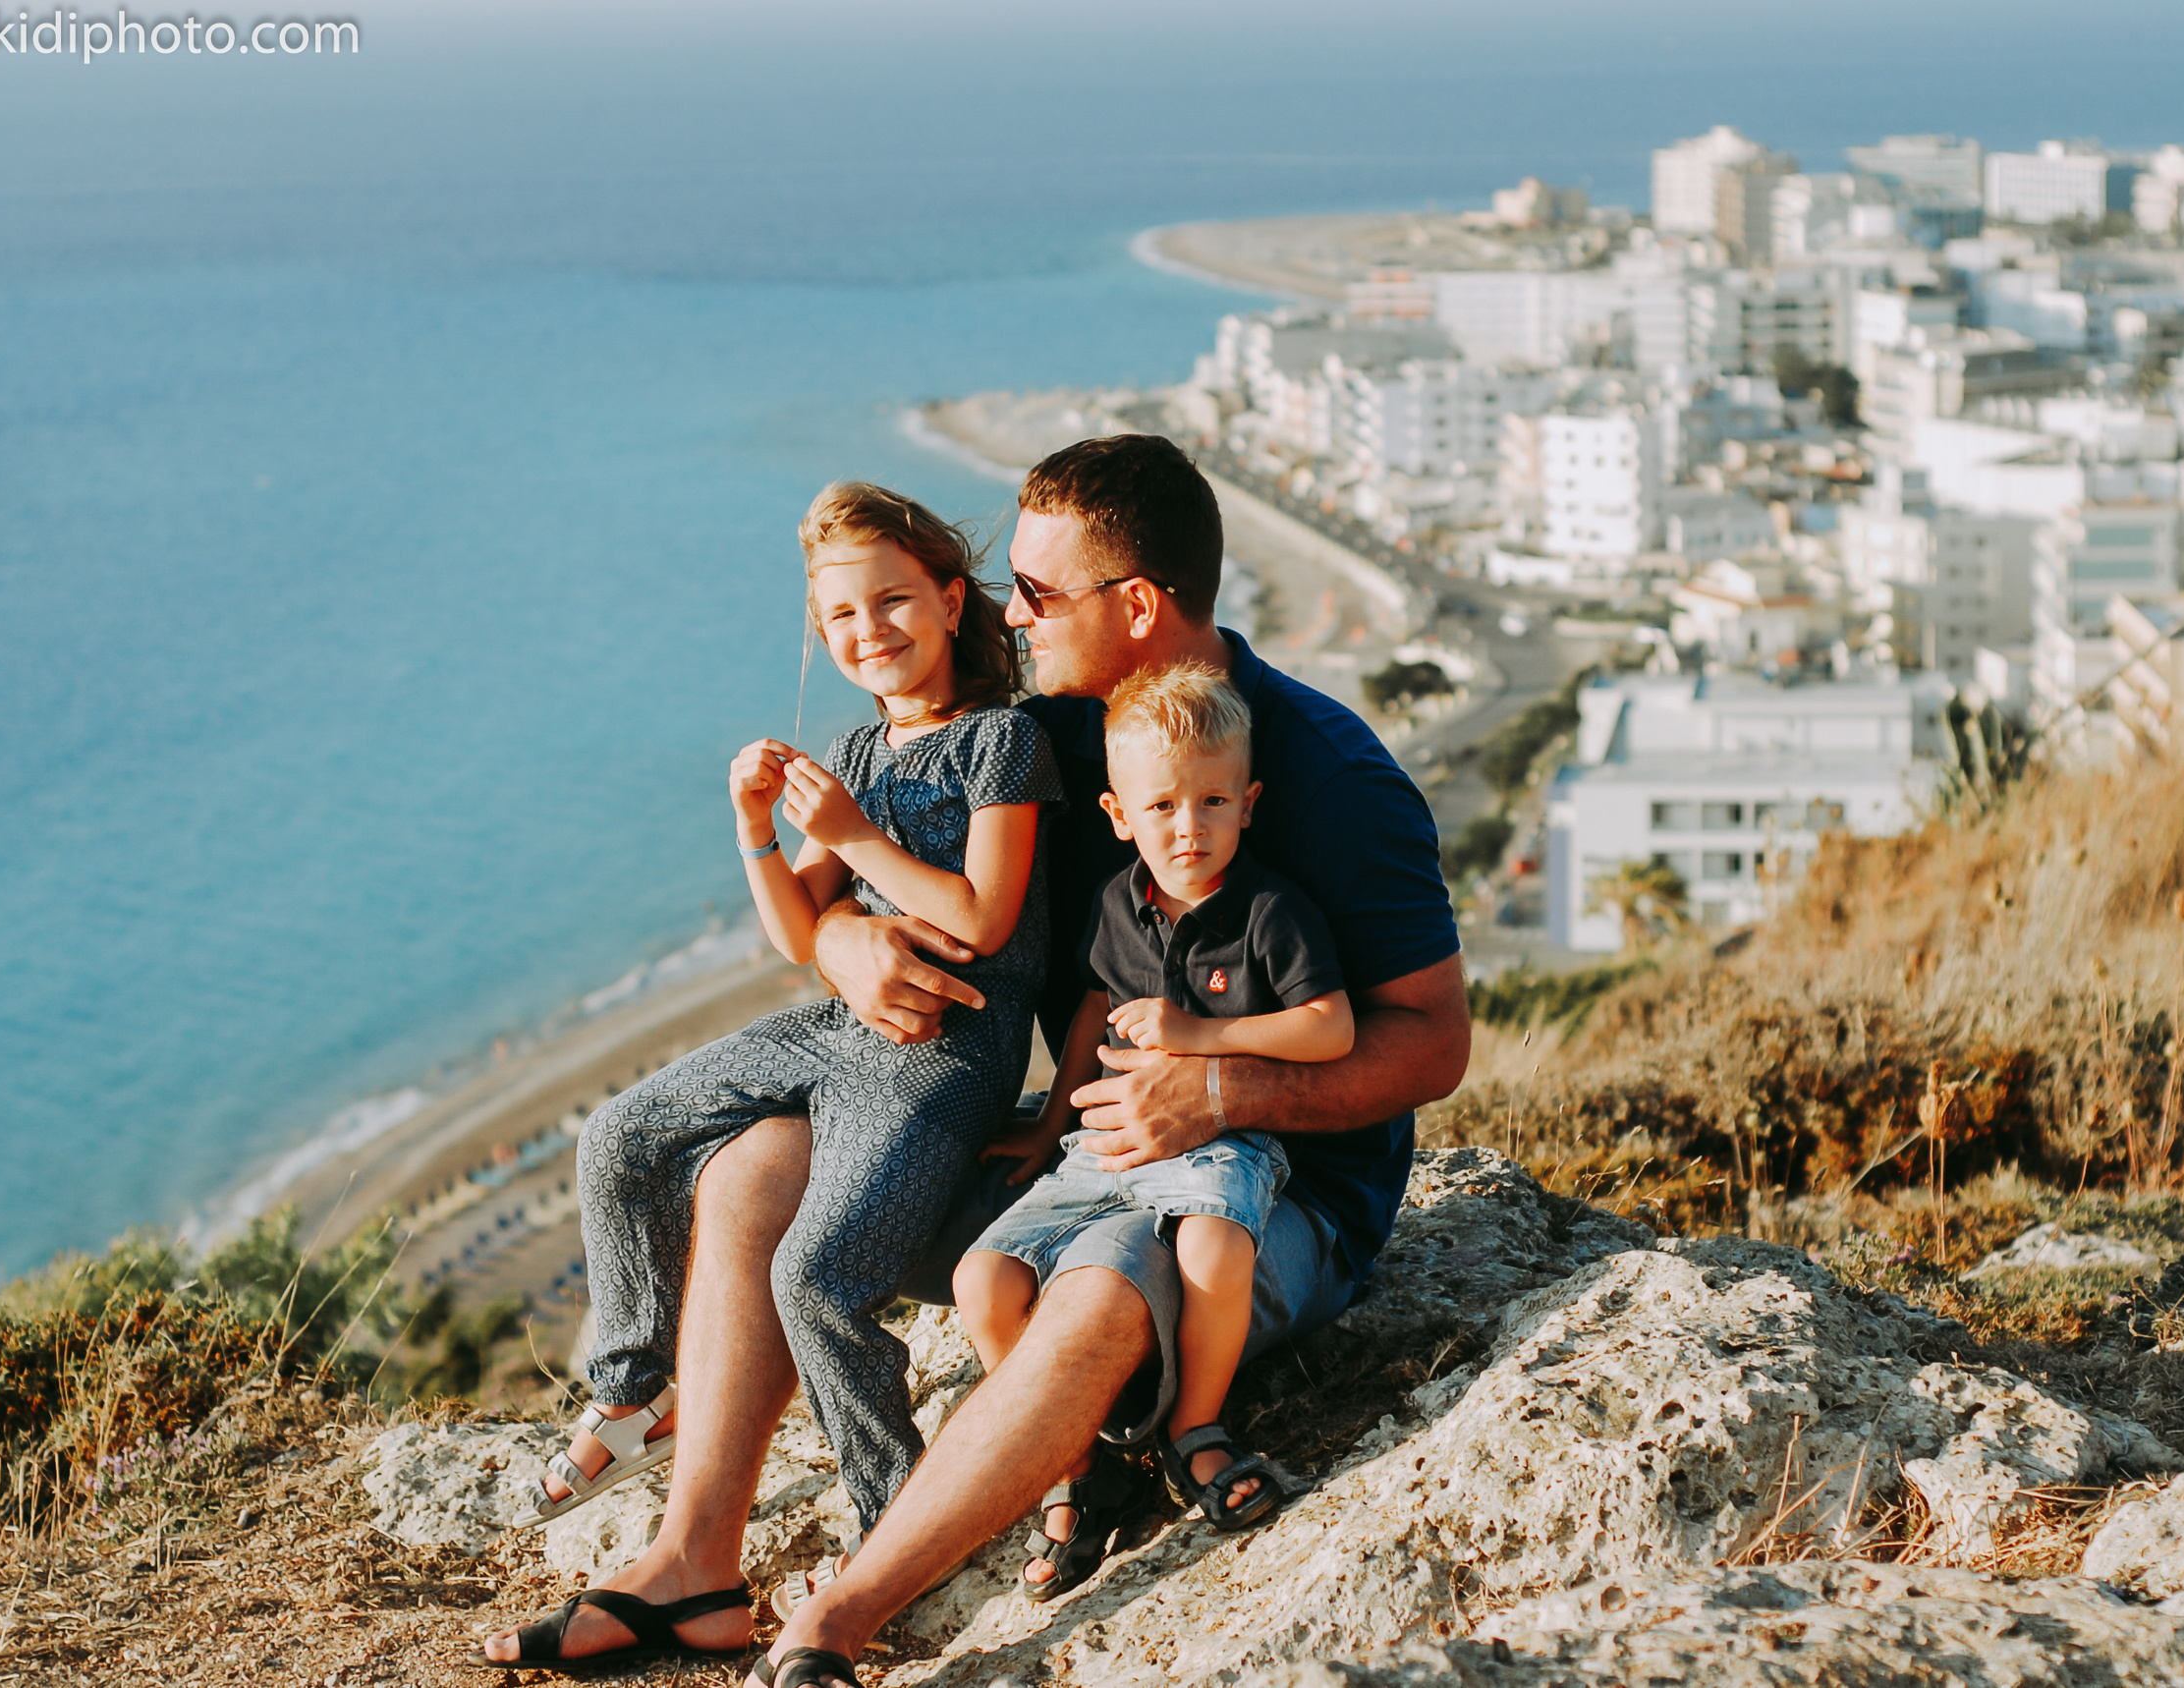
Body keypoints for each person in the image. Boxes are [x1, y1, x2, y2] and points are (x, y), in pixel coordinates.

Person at [481, 434, 1466, 1682]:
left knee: (1099, 1288)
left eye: (1040, 595)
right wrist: (840, 937)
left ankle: (838, 1618)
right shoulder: (1049, 735)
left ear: (1141, 607)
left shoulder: (1330, 780)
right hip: (1066, 1140)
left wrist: (1220, 1085)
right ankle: (694, 1567)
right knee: (749, 1169)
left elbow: (1434, 1044)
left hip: (1269, 1191)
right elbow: (930, 885)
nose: (1009, 612)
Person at [484, 481, 1059, 1671]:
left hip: (944, 1054)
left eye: (893, 600)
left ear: (952, 599)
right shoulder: (853, 745)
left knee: (816, 1275)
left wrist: (851, 835)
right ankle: (634, 1390)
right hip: (832, 1023)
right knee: (623, 1134)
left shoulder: (1004, 739)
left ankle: (892, 1521)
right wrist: (754, 827)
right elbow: (801, 932)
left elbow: (988, 919)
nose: (870, 633)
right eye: (840, 617)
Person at [957, 660, 1352, 1556]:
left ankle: (1194, 1432)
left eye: (1213, 802)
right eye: (1163, 807)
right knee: (984, 1283)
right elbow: (1095, 1007)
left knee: (1214, 1243)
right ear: (1117, 815)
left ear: (1248, 803)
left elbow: (1329, 1029)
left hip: (1222, 1137)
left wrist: (1197, 1036)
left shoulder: (1269, 912)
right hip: (1104, 1144)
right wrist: (1052, 1123)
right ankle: (1069, 1463)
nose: (1189, 828)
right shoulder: (1116, 902)